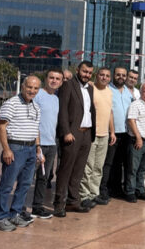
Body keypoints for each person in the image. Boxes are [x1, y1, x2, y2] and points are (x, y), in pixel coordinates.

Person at [0, 76, 42, 231]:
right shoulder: (11, 104)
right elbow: (2, 127)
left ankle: (15, 214)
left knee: (25, 184)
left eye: (35, 88)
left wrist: (38, 148)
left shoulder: (36, 106)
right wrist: (6, 149)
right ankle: (1, 217)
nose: (32, 91)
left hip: (30, 149)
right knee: (7, 185)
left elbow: (35, 129)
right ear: (22, 86)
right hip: (15, 148)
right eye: (29, 87)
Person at [54, 61, 95, 217]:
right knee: (65, 170)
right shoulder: (68, 85)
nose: (87, 75)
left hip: (86, 134)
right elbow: (62, 109)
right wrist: (66, 131)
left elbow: (90, 110)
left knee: (78, 170)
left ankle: (73, 201)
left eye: (90, 73)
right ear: (78, 70)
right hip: (72, 133)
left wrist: (92, 132)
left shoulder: (90, 88)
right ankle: (59, 204)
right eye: (84, 71)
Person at [29, 68, 63, 219]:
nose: (54, 81)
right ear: (46, 78)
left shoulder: (56, 98)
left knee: (44, 178)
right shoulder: (38, 95)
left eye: (58, 79)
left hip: (51, 144)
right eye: (52, 77)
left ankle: (37, 207)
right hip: (37, 144)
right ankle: (18, 208)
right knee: (27, 178)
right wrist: (37, 145)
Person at [79, 67, 114, 209]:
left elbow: (110, 113)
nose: (104, 78)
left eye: (107, 76)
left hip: (104, 135)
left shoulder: (110, 92)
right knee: (88, 167)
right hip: (90, 134)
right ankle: (84, 195)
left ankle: (94, 193)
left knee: (98, 167)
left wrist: (112, 132)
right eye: (102, 75)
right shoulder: (90, 89)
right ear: (97, 76)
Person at [101, 67, 133, 201]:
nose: (121, 77)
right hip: (112, 132)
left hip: (126, 133)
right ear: (114, 75)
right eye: (118, 74)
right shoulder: (108, 90)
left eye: (123, 75)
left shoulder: (129, 92)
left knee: (121, 162)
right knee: (108, 163)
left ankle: (117, 188)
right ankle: (103, 189)